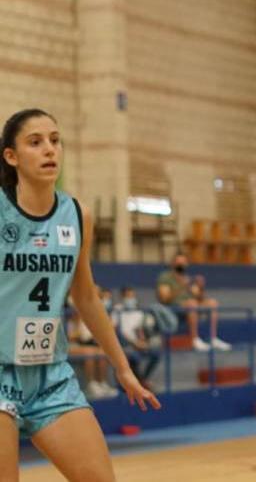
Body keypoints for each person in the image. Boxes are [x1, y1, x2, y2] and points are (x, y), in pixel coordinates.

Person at [0, 108, 159, 481]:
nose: (49, 150)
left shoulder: (76, 214)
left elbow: (85, 296)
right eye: (35, 142)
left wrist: (122, 367)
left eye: (55, 141)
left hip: (50, 373)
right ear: (11, 156)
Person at [157, 253, 229, 351]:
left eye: (183, 263)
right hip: (173, 307)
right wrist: (182, 286)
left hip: (190, 305)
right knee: (192, 303)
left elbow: (199, 298)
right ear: (173, 264)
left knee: (212, 303)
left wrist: (201, 287)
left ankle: (213, 338)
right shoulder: (165, 277)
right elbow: (164, 298)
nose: (181, 265)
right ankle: (194, 339)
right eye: (178, 262)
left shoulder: (188, 278)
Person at [67, 289, 118, 400]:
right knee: (89, 352)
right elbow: (70, 336)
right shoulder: (71, 314)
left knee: (102, 352)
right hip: (70, 345)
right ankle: (91, 384)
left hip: (85, 344)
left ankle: (103, 383)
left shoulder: (92, 313)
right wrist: (79, 334)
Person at [113, 286, 162, 390]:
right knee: (134, 357)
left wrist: (143, 342)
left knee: (156, 354)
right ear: (122, 297)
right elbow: (115, 329)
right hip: (123, 344)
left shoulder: (139, 311)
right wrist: (133, 343)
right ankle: (138, 384)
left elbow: (140, 330)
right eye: (128, 296)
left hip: (137, 343)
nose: (131, 298)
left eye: (132, 296)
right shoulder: (117, 310)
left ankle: (143, 380)